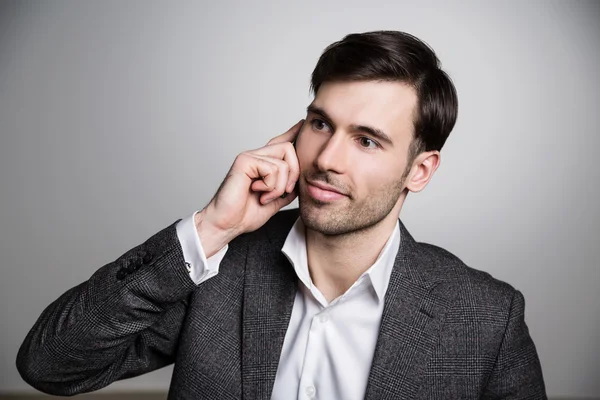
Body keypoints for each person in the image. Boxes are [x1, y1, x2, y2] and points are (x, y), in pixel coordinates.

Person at [16, 31, 546, 399]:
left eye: (366, 140)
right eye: (320, 124)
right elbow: (50, 366)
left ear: (420, 170)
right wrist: (212, 228)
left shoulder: (486, 319)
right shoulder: (217, 269)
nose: (327, 158)